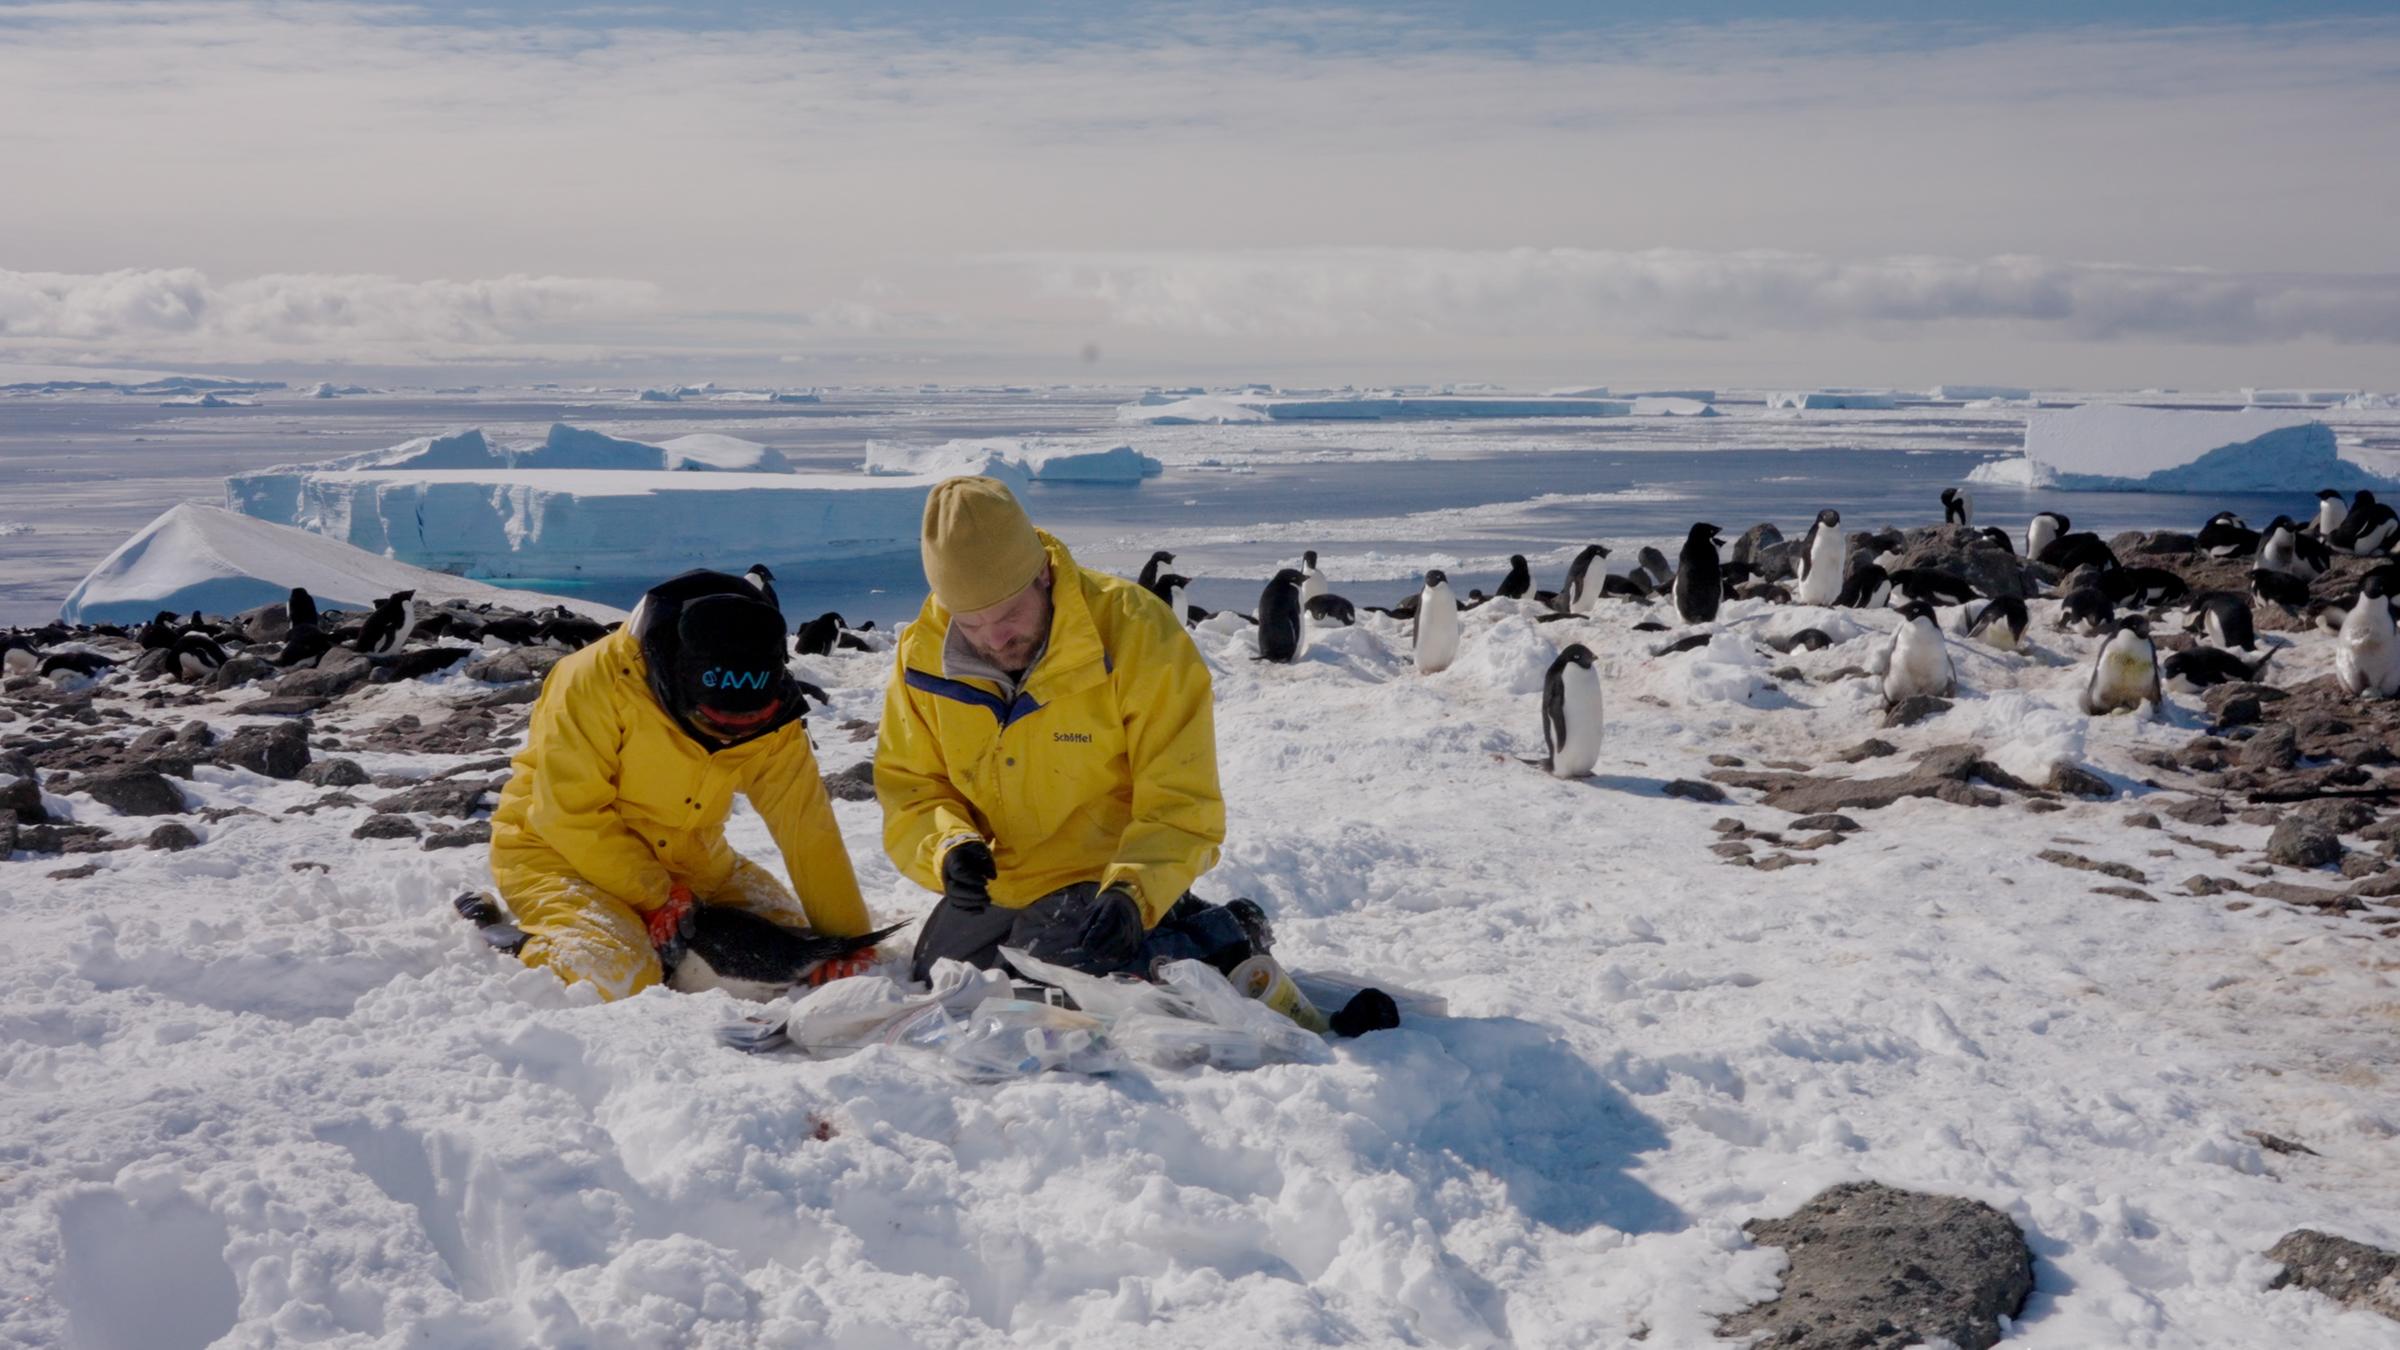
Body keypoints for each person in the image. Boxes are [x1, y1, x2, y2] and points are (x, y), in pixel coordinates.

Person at [876, 476, 1256, 980]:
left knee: (1060, 978)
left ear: (1044, 577)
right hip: (1007, 878)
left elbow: (1180, 802)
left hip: (1106, 876)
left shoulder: (1136, 633)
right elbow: (912, 788)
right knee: (943, 978)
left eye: (1009, 614)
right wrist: (947, 849)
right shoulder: (923, 655)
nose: (994, 639)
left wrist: (1134, 891)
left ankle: (1218, 934)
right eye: (969, 624)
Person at [489, 570, 876, 999]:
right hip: (557, 853)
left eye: (749, 726)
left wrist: (850, 942)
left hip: (692, 863)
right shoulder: (595, 680)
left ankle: (651, 937)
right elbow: (565, 813)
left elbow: (806, 828)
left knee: (794, 951)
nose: (733, 738)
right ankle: (521, 943)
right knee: (615, 974)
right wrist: (656, 895)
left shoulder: (772, 709)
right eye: (716, 724)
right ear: (673, 678)